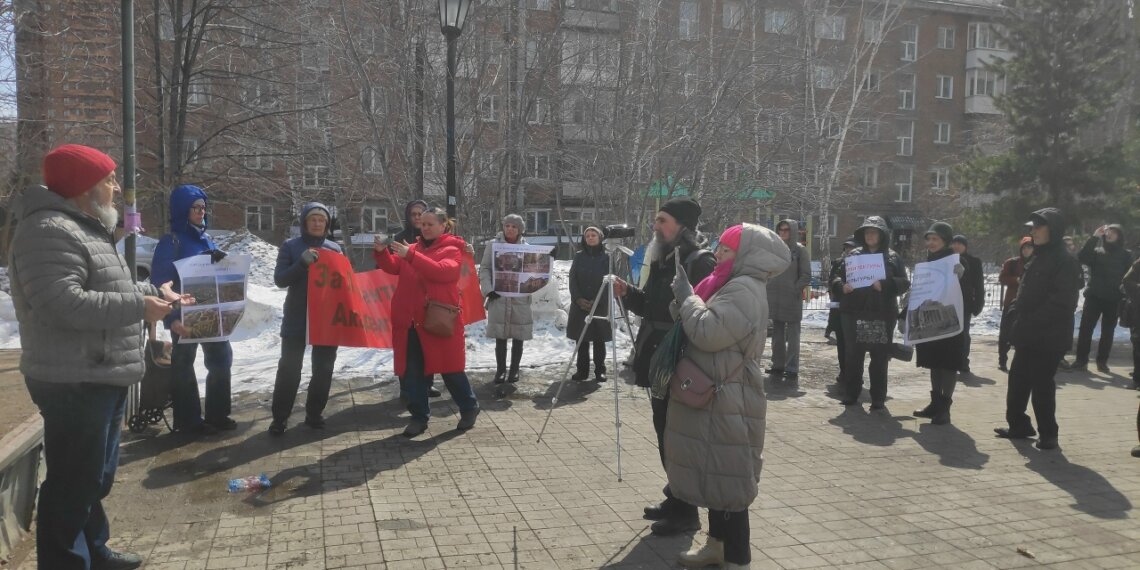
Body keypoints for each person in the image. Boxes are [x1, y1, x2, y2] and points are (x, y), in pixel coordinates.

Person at [10, 144, 187, 570]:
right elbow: (63, 303)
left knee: (95, 478)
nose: (115, 188)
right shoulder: (48, 230)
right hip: (72, 379)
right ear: (84, 188)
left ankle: (96, 550)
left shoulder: (84, 226)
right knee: (74, 483)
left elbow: (108, 288)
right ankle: (66, 562)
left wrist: (151, 293)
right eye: (108, 180)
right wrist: (138, 308)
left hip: (97, 373)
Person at [665, 224, 790, 569]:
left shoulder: (744, 290)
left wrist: (688, 297)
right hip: (715, 391)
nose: (719, 253)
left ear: (747, 255)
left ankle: (737, 559)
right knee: (715, 475)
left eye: (728, 249)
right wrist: (685, 300)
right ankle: (716, 546)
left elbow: (708, 332)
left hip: (728, 396)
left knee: (729, 480)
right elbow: (696, 323)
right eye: (719, 247)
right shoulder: (726, 283)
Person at [612, 196, 716, 536]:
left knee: (679, 436)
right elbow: (651, 306)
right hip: (657, 356)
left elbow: (703, 316)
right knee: (665, 432)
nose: (655, 226)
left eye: (662, 221)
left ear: (682, 226)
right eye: (656, 220)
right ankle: (676, 496)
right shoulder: (660, 258)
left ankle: (687, 512)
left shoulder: (699, 261)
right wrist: (626, 293)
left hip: (681, 360)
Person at [375, 207, 480, 437]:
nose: (424, 228)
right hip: (412, 322)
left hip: (438, 320)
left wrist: (410, 256)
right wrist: (382, 252)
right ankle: (419, 417)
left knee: (450, 370)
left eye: (430, 224)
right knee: (414, 374)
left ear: (443, 225)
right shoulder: (412, 248)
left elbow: (443, 272)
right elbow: (393, 267)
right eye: (422, 224)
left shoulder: (452, 248)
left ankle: (469, 407)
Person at [149, 184, 235, 435]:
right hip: (184, 314)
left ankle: (218, 415)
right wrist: (172, 318)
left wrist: (222, 262)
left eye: (203, 208)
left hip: (210, 312)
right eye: (195, 208)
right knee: (184, 365)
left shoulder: (207, 239)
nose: (201, 212)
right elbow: (162, 283)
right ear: (181, 210)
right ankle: (188, 421)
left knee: (221, 361)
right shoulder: (171, 242)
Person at [995, 208, 1081, 450]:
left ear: (1052, 230)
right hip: (1028, 333)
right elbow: (1027, 290)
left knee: (1042, 385)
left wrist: (1030, 320)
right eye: (1031, 228)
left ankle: (1048, 435)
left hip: (1049, 336)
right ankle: (1019, 425)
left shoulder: (1065, 261)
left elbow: (1063, 302)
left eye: (1037, 227)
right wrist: (1015, 310)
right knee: (1018, 380)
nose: (1032, 231)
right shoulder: (1038, 257)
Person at [268, 203, 343, 435]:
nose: (318, 223)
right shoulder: (291, 246)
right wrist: (302, 264)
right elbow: (280, 280)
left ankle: (314, 414)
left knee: (323, 369)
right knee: (290, 369)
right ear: (304, 222)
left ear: (327, 224)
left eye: (322, 220)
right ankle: (280, 418)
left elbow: (343, 284)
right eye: (313, 219)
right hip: (297, 318)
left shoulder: (335, 249)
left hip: (326, 320)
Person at [832, 216, 910, 409]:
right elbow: (835, 278)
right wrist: (842, 287)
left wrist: (884, 285)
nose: (870, 235)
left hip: (882, 314)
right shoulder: (853, 255)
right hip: (853, 313)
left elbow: (904, 283)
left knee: (880, 357)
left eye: (874, 232)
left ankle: (878, 397)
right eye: (867, 232)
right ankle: (851, 393)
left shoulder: (893, 257)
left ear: (882, 235)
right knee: (853, 355)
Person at [912, 223, 968, 425]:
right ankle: (934, 404)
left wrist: (962, 274)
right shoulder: (928, 262)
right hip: (931, 319)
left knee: (948, 365)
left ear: (945, 241)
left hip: (951, 321)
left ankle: (945, 409)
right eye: (929, 239)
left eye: (935, 239)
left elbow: (967, 288)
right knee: (934, 363)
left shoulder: (955, 261)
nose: (930, 243)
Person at [392, 199, 442, 398]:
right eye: (413, 214)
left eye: (421, 214)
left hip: (426, 303)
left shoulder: (434, 240)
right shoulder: (399, 238)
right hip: (405, 301)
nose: (417, 218)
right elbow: (389, 267)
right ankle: (406, 387)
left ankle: (427, 384)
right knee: (405, 347)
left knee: (426, 346)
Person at [479, 214, 534, 384]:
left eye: (514, 227)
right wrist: (488, 290)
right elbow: (485, 268)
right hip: (499, 297)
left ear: (520, 230)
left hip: (520, 299)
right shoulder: (493, 245)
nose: (510, 229)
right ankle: (500, 371)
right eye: (507, 225)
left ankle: (515, 370)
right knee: (500, 337)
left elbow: (533, 272)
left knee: (519, 336)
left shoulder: (527, 247)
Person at [1073, 225, 1132, 373]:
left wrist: (1124, 293)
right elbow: (1082, 257)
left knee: (1108, 332)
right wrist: (1094, 237)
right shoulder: (1097, 252)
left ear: (1120, 236)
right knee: (1086, 329)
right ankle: (1081, 361)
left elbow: (1129, 276)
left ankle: (1102, 362)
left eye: (1114, 232)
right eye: (1108, 232)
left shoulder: (1126, 255)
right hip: (1094, 297)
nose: (1110, 234)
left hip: (1113, 299)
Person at [765, 219, 811, 381]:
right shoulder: (775, 249)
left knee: (792, 336)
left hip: (791, 299)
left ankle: (792, 368)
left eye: (786, 230)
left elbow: (806, 275)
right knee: (776, 335)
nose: (783, 233)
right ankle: (777, 364)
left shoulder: (800, 251)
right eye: (780, 230)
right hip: (775, 298)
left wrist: (795, 289)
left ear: (792, 231)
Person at [566, 226, 611, 382]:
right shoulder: (578, 257)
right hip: (580, 305)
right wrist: (578, 299)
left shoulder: (607, 257)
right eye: (587, 236)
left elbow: (610, 282)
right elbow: (572, 279)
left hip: (599, 304)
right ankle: (582, 371)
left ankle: (600, 370)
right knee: (582, 339)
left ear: (600, 238)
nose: (590, 238)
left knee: (599, 339)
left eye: (593, 235)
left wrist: (598, 301)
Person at [997, 237, 1034, 372]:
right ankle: (1002, 359)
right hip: (1011, 302)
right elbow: (1002, 278)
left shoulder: (1039, 263)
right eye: (1024, 247)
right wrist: (1016, 280)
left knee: (1025, 333)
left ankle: (1023, 361)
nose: (1026, 250)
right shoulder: (1011, 263)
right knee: (1005, 332)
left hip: (1029, 304)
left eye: (1029, 247)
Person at [828, 237, 859, 388]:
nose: (849, 251)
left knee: (854, 344)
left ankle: (854, 374)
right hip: (840, 306)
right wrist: (839, 286)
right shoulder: (839, 262)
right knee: (841, 342)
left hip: (857, 309)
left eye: (852, 248)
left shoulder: (864, 264)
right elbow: (832, 280)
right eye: (846, 248)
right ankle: (844, 372)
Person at [950, 235, 984, 376]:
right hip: (948, 302)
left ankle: (963, 362)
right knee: (949, 333)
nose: (957, 246)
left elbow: (979, 285)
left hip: (965, 303)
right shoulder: (946, 260)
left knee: (963, 334)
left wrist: (978, 304)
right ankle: (950, 361)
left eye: (960, 243)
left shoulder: (974, 262)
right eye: (954, 243)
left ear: (965, 246)